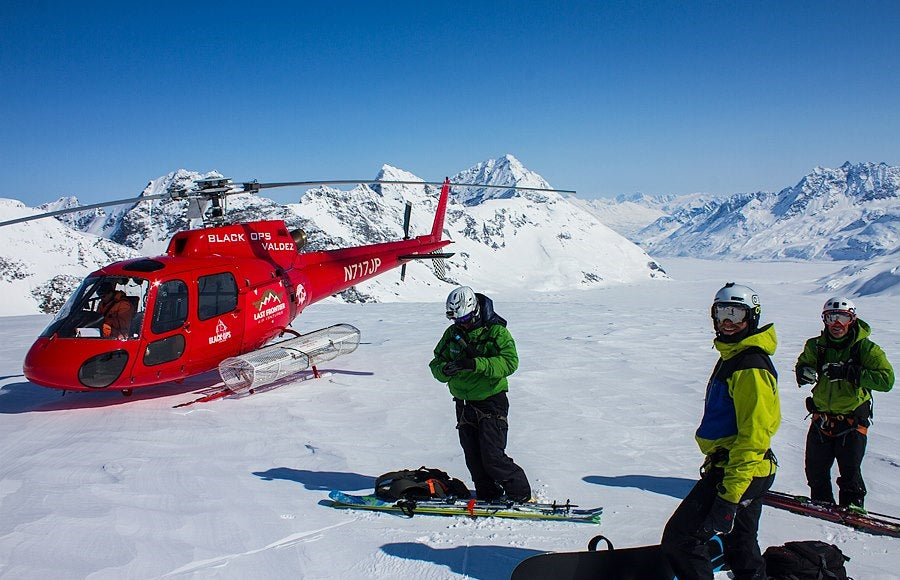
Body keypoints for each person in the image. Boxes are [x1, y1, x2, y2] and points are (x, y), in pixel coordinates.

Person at [661, 283, 780, 580]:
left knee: (683, 539)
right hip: (750, 469)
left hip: (739, 470)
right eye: (721, 313)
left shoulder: (749, 366)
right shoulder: (735, 356)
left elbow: (754, 437)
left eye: (736, 315)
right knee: (740, 544)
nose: (727, 323)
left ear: (751, 318)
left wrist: (729, 496)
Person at [428, 286, 532, 503]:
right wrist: (444, 370)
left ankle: (520, 494)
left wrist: (476, 364)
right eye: (457, 319)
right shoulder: (453, 334)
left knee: (493, 457)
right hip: (464, 404)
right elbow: (436, 362)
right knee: (474, 458)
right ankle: (489, 494)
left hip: (491, 401)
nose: (462, 323)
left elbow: (510, 362)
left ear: (474, 311)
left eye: (465, 318)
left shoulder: (496, 332)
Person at [794, 297, 894, 509]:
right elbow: (804, 363)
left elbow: (886, 380)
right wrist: (803, 373)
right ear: (825, 320)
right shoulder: (817, 346)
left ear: (852, 319)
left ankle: (853, 511)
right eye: (832, 317)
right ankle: (822, 507)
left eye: (842, 317)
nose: (836, 323)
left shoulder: (865, 349)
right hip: (821, 419)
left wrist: (850, 373)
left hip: (851, 421)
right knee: (815, 470)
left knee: (850, 472)